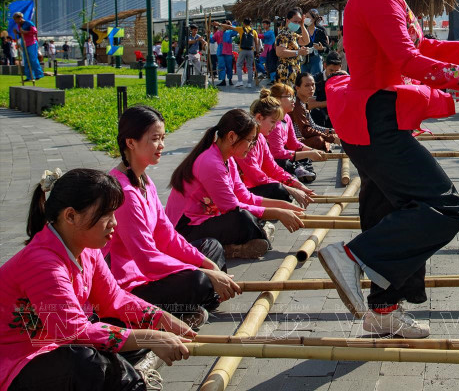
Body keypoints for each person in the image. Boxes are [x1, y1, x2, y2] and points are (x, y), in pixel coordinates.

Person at [299, 0, 459, 337]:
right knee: (443, 207)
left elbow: (417, 49)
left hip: (370, 116)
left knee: (391, 207)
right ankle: (352, 258)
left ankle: (382, 312)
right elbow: (407, 58)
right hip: (378, 118)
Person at [0, 168, 195, 391]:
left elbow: (114, 299)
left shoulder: (87, 249)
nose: (114, 223)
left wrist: (161, 318)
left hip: (54, 348)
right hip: (15, 363)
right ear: (71, 216)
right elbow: (74, 332)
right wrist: (150, 336)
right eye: (105, 215)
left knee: (121, 342)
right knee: (90, 362)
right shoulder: (42, 263)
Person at [106, 106, 241, 326]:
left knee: (212, 249)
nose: (162, 146)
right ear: (131, 143)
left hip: (152, 271)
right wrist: (203, 273)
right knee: (198, 279)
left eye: (163, 138)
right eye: (155, 139)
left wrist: (208, 265)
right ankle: (188, 305)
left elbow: (167, 235)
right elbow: (147, 259)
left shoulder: (144, 181)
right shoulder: (123, 193)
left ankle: (196, 302)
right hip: (131, 285)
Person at [165, 109, 306, 259]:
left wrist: (281, 206)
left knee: (249, 216)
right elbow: (232, 207)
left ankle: (241, 243)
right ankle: (232, 247)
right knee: (243, 218)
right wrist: (277, 212)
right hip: (184, 230)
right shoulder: (211, 163)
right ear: (232, 136)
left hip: (207, 219)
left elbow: (245, 196)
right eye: (250, 140)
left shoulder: (228, 159)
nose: (252, 145)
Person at [236, 95, 315, 206]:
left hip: (251, 188)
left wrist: (296, 184)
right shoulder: (245, 141)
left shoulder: (261, 138)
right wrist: (288, 188)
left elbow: (272, 168)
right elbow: (256, 177)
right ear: (259, 118)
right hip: (243, 191)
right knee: (279, 190)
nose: (275, 127)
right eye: (273, 122)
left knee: (285, 187)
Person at [262, 83, 324, 182]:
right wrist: (309, 153)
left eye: (293, 97)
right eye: (289, 97)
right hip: (273, 160)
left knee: (304, 156)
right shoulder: (274, 124)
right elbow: (277, 153)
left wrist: (311, 151)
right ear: (277, 100)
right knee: (284, 162)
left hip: (283, 155)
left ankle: (297, 170)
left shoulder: (286, 117)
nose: (293, 100)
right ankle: (296, 170)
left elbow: (293, 143)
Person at [292, 72, 338, 150]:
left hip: (303, 138)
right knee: (318, 140)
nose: (311, 88)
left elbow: (313, 126)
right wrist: (331, 138)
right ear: (297, 88)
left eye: (313, 85)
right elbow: (306, 131)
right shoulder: (296, 105)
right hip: (295, 141)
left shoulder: (303, 103)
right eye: (307, 85)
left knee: (321, 139)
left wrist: (332, 131)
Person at [275, 8, 310, 86]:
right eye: (295, 21)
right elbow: (280, 52)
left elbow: (306, 41)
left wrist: (302, 25)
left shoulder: (292, 34)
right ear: (287, 20)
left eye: (299, 22)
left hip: (294, 69)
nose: (297, 24)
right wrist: (298, 52)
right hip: (286, 70)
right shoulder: (284, 34)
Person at [311, 51, 343, 127]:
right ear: (325, 65)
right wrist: (330, 103)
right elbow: (310, 105)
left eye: (336, 71)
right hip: (319, 119)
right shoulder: (315, 80)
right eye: (331, 71)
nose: (334, 74)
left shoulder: (343, 79)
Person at [11, 12, 42, 82]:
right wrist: (17, 33)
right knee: (26, 60)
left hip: (32, 43)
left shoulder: (28, 23)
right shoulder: (19, 25)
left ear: (20, 18)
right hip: (24, 43)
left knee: (33, 59)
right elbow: (21, 34)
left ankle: (38, 74)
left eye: (16, 19)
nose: (15, 21)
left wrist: (25, 32)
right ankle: (29, 76)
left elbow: (34, 31)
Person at [303, 8, 329, 76]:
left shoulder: (320, 31)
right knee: (303, 81)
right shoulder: (302, 31)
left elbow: (327, 48)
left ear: (314, 19)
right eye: (305, 17)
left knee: (316, 80)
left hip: (316, 59)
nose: (306, 19)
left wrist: (322, 48)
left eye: (308, 17)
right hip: (304, 60)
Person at [236, 18, 260, 88]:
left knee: (239, 65)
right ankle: (249, 83)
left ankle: (240, 81)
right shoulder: (254, 32)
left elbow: (230, 27)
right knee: (250, 67)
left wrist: (219, 24)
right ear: (250, 23)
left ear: (243, 23)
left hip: (242, 50)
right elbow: (256, 43)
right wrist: (257, 52)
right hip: (250, 51)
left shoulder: (241, 29)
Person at [212, 22, 237, 87]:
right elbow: (212, 40)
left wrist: (230, 26)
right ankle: (223, 80)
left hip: (228, 52)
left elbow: (236, 30)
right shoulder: (218, 33)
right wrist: (209, 34)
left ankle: (230, 80)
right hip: (220, 52)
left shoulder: (230, 32)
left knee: (229, 67)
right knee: (221, 66)